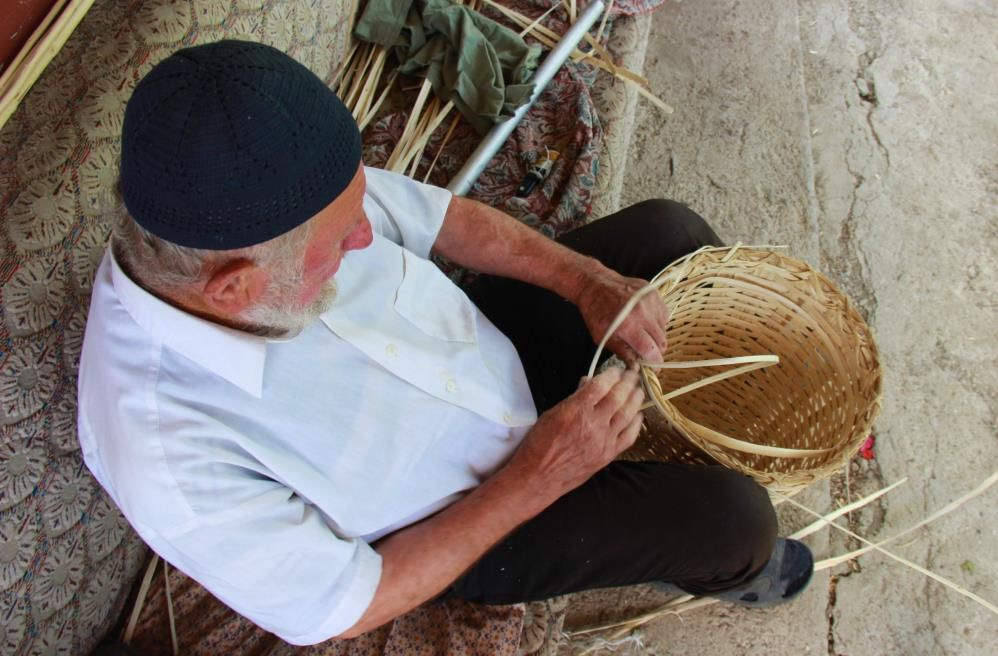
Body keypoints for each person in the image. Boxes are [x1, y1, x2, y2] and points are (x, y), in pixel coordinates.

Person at [78, 40, 813, 646]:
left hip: (484, 352)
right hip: (466, 518)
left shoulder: (269, 193)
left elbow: (445, 222)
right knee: (737, 524)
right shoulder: (164, 455)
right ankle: (725, 568)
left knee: (671, 239)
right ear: (234, 290)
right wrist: (543, 473)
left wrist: (587, 282)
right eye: (341, 244)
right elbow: (354, 602)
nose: (366, 238)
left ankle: (687, 433)